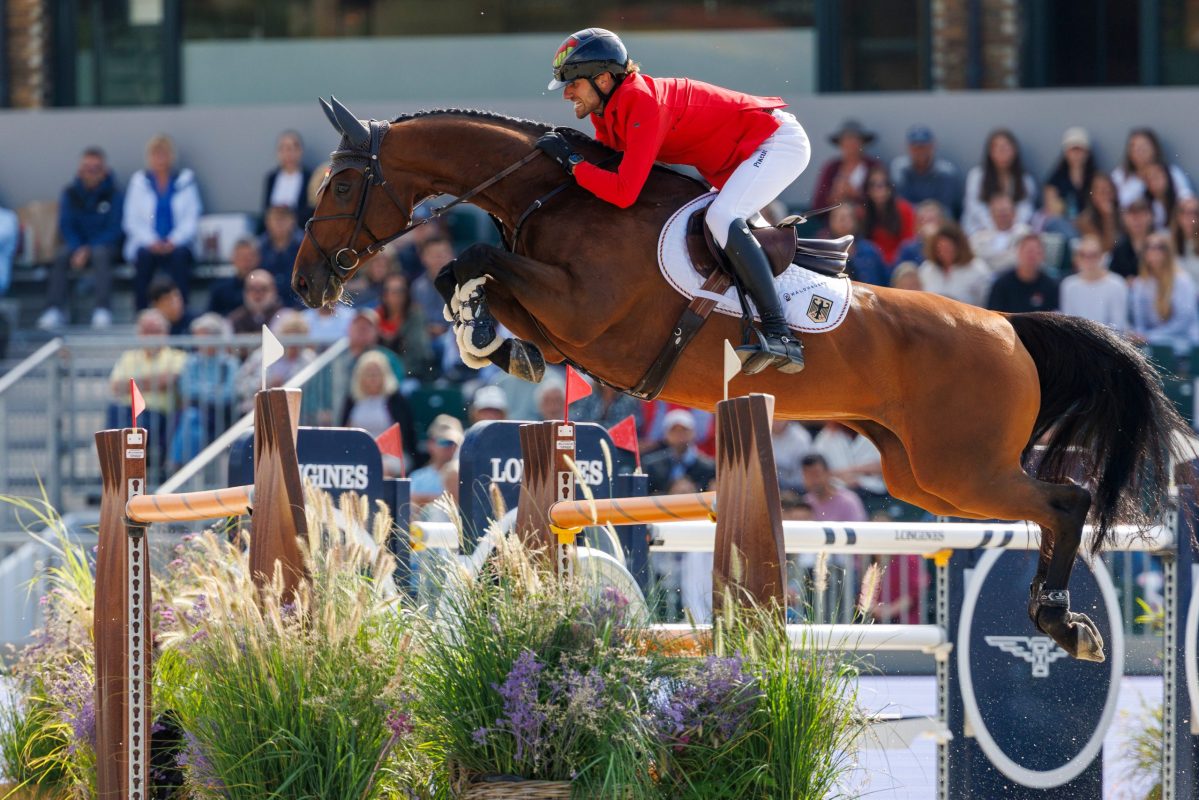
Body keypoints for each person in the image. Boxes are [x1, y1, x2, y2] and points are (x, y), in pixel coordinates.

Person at [536, 27, 809, 373]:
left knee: (722, 218)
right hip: (737, 161)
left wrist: (572, 163)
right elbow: (609, 169)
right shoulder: (605, 111)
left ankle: (779, 332)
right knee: (710, 220)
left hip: (775, 143)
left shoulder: (643, 103)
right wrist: (571, 161)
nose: (567, 94)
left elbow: (622, 191)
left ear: (603, 79)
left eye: (572, 84)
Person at [39, 147, 122, 330]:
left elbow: (115, 228)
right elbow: (66, 225)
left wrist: (88, 248)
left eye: (96, 168)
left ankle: (102, 309)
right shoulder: (70, 193)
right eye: (87, 168)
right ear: (80, 170)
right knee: (60, 255)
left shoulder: (114, 194)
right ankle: (55, 309)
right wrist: (78, 247)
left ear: (104, 171)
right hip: (76, 246)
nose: (91, 173)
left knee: (101, 255)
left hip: (104, 245)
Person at [122, 134, 202, 309]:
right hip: (148, 244)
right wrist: (152, 241)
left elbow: (191, 217)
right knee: (143, 258)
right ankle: (142, 312)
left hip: (177, 244)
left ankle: (181, 310)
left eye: (164, 154)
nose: (160, 159)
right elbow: (132, 220)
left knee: (180, 257)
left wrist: (174, 240)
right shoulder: (139, 182)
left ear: (172, 156)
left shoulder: (185, 181)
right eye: (155, 154)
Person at [106, 310, 187, 483]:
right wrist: (155, 382)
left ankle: (126, 477)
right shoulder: (129, 357)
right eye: (147, 331)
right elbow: (115, 387)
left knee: (137, 423)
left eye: (156, 331)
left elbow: (169, 380)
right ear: (140, 334)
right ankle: (111, 478)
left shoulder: (177, 356)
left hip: (161, 415)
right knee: (115, 411)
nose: (151, 336)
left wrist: (133, 384)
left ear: (166, 333)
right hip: (128, 412)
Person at [170, 313, 239, 468]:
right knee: (194, 424)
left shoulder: (229, 363)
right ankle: (187, 468)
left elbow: (229, 394)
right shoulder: (191, 362)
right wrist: (212, 389)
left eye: (204, 336)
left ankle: (178, 467)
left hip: (221, 416)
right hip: (198, 413)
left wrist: (201, 389)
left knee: (191, 419)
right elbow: (186, 389)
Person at [341, 351, 417, 463]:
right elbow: (344, 431)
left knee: (382, 468)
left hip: (390, 455)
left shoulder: (396, 399)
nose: (372, 378)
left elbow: (405, 434)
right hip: (357, 453)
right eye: (368, 373)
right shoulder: (352, 399)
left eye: (376, 373)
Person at [235, 309, 317, 414]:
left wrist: (284, 388)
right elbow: (240, 382)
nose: (293, 342)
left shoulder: (309, 358)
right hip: (255, 411)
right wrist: (260, 386)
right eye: (289, 334)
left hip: (295, 412)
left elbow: (313, 392)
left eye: (297, 335)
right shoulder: (260, 355)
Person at [1129, 231, 1199, 354]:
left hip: (1184, 344)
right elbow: (1139, 321)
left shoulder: (1183, 281)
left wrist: (1150, 336)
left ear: (1168, 252)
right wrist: (1141, 336)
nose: (1154, 251)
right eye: (1149, 247)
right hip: (1152, 345)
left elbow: (1183, 322)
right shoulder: (1140, 284)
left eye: (1160, 247)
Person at [961, 128, 1038, 235]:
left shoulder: (1025, 180)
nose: (1002, 152)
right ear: (990, 152)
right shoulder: (977, 176)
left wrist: (1010, 228)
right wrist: (994, 228)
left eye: (1006, 147)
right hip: (980, 230)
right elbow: (974, 207)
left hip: (1013, 231)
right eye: (997, 148)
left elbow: (1025, 209)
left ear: (1014, 151)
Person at [1111, 127, 1195, 209]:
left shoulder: (1170, 172)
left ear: (1154, 149)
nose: (1139, 151)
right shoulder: (1120, 175)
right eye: (1134, 147)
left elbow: (1187, 200)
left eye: (1143, 146)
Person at [890, 124, 962, 218]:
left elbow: (945, 206)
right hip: (910, 217)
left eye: (923, 146)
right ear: (908, 147)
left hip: (938, 218)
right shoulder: (899, 168)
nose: (920, 151)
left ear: (933, 146)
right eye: (915, 146)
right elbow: (901, 202)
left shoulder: (946, 172)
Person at [1059, 235, 1129, 332]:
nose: (1088, 260)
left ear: (1102, 256)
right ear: (1076, 258)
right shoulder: (1068, 285)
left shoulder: (1117, 284)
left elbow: (1118, 325)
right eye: (1083, 255)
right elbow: (1068, 323)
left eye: (1093, 255)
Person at [810, 119, 880, 212]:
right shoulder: (831, 168)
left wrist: (855, 194)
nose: (851, 144)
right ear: (840, 143)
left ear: (863, 143)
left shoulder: (873, 167)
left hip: (866, 223)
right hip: (835, 223)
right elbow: (817, 205)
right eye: (847, 139)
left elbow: (880, 201)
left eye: (855, 139)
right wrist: (834, 196)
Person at [642, 409, 716, 496]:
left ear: (693, 433)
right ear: (666, 435)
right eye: (674, 430)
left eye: (684, 430)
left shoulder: (710, 466)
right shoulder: (652, 465)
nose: (679, 434)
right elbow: (646, 495)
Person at [376, 272, 435, 380]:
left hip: (410, 374)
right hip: (379, 376)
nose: (397, 296)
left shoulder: (415, 316)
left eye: (401, 291)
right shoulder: (376, 317)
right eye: (393, 291)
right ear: (384, 295)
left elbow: (419, 351)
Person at [917, 222, 991, 306]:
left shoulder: (977, 269)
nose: (944, 252)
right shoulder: (926, 269)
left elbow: (986, 302)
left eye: (948, 247)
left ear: (959, 247)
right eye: (940, 248)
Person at [985, 234, 1060, 314]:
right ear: (1019, 252)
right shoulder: (1002, 285)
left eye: (1037, 252)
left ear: (1043, 256)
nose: (1032, 256)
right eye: (1029, 251)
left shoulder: (1051, 286)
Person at [823, 202, 888, 285]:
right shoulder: (822, 254)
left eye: (846, 217)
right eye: (837, 217)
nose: (842, 221)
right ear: (830, 222)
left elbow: (884, 283)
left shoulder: (870, 252)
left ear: (855, 221)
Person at [862, 165, 915, 266]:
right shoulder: (863, 213)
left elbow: (908, 243)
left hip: (899, 264)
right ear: (867, 189)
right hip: (875, 265)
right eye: (873, 185)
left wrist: (888, 261)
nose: (878, 189)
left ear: (889, 188)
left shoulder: (904, 209)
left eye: (882, 184)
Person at [409, 415, 464, 508]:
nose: (450, 447)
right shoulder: (417, 478)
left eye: (454, 443)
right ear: (430, 444)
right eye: (443, 442)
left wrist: (424, 500)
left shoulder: (466, 476)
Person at [261, 130, 313, 229]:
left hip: (299, 231)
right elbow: (266, 209)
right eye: (283, 149)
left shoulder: (309, 178)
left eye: (292, 148)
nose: (288, 153)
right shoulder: (271, 178)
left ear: (300, 151)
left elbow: (310, 209)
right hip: (272, 232)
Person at [969, 194, 1031, 273]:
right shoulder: (979, 237)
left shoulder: (1025, 233)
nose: (1002, 215)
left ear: (1014, 213)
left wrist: (990, 259)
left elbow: (1017, 259)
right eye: (998, 212)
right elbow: (973, 259)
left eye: (1005, 212)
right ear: (991, 214)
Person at [1044, 127, 1097, 221]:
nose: (1076, 155)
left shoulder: (1095, 178)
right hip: (1064, 225)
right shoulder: (1055, 179)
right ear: (1066, 153)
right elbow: (1051, 208)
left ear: (1087, 153)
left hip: (1089, 226)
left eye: (1080, 150)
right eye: (1073, 150)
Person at [800, 453, 866, 522]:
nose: (813, 480)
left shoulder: (848, 501)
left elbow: (859, 531)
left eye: (816, 474)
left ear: (828, 473)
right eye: (808, 476)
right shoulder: (805, 502)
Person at [258, 205, 303, 305]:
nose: (279, 223)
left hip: (299, 305)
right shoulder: (258, 247)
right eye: (275, 219)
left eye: (283, 219)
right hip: (266, 305)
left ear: (293, 221)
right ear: (267, 222)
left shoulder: (305, 246)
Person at [207, 238, 261, 317]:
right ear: (232, 258)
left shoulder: (267, 287)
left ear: (258, 258)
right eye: (241, 256)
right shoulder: (220, 290)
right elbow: (210, 317)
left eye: (250, 257)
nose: (245, 261)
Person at [1073, 172, 1123, 255]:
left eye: (1109, 191)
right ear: (1093, 195)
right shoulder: (1084, 221)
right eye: (1101, 192)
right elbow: (1104, 249)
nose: (1106, 196)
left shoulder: (1122, 215)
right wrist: (1107, 218)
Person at [1109, 198, 1155, 280]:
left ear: (1150, 217)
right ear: (1125, 220)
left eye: (1141, 216)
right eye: (1133, 217)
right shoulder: (1120, 248)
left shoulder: (1158, 245)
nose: (1137, 221)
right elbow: (1113, 277)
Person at [227, 269, 283, 334]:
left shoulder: (285, 318)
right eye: (252, 289)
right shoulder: (233, 320)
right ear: (245, 292)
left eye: (264, 289)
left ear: (274, 291)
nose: (258, 294)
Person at [1171, 196, 1199, 284]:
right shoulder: (1168, 242)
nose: (1190, 217)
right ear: (1178, 216)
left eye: (1195, 212)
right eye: (1184, 212)